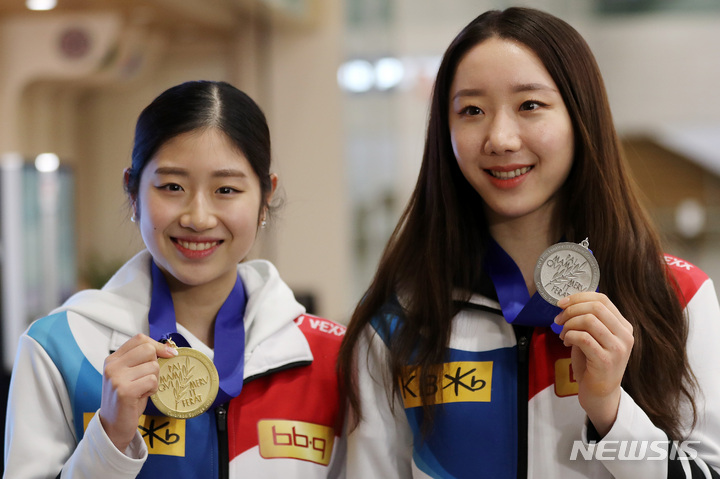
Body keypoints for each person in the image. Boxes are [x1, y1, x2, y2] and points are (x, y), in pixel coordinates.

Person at [338, 7, 720, 478]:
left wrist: (610, 410)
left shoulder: (675, 294)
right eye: (471, 110)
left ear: (581, 117)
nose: (500, 138)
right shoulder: (397, 320)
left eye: (530, 106)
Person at [4, 80, 346, 478]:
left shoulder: (333, 359)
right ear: (132, 191)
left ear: (265, 197)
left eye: (226, 189)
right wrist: (109, 438)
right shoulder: (58, 349)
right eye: (172, 186)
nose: (198, 218)